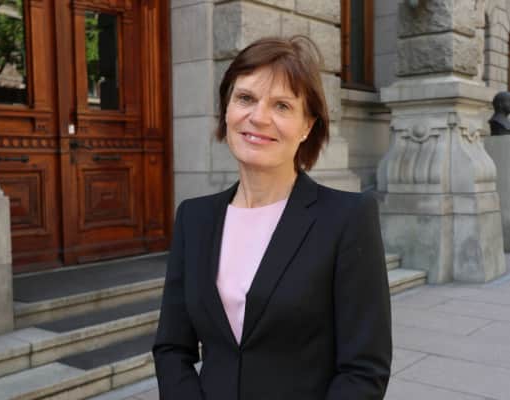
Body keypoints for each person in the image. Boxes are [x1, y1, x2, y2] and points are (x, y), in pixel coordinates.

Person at [153, 35, 392, 400]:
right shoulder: (194, 218)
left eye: (282, 105)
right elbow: (172, 348)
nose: (259, 117)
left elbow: (364, 370)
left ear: (307, 125)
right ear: (226, 110)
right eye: (245, 98)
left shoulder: (347, 218)